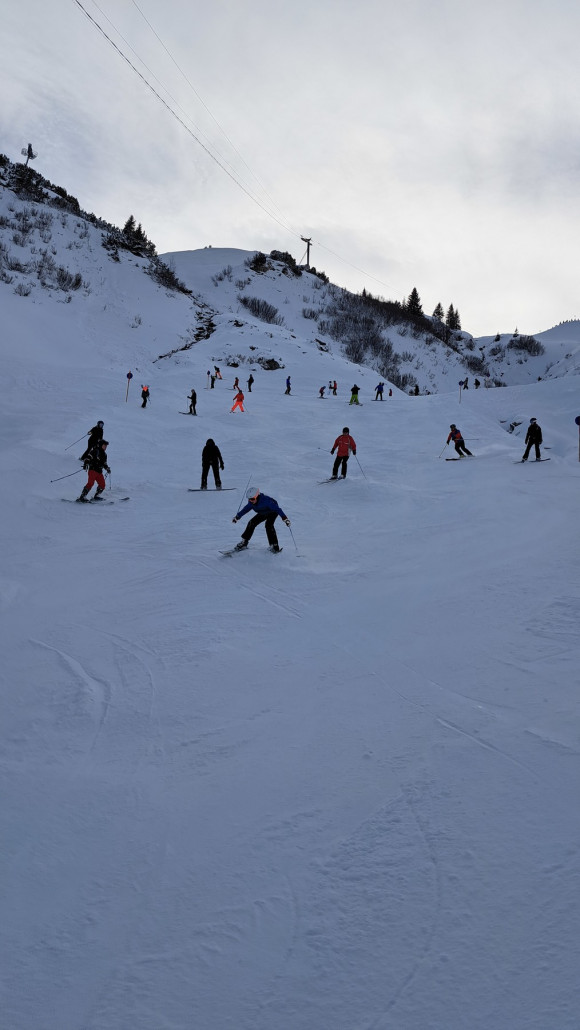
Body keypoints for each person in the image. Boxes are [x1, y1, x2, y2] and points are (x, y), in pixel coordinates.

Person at [232, 488, 290, 553]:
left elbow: (278, 509)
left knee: (268, 525)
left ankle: (274, 546)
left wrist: (285, 519)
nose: (251, 501)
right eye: (249, 499)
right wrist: (237, 517)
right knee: (252, 523)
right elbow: (245, 509)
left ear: (257, 496)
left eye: (252, 499)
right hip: (263, 512)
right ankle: (244, 542)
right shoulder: (251, 503)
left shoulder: (267, 501)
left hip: (273, 511)